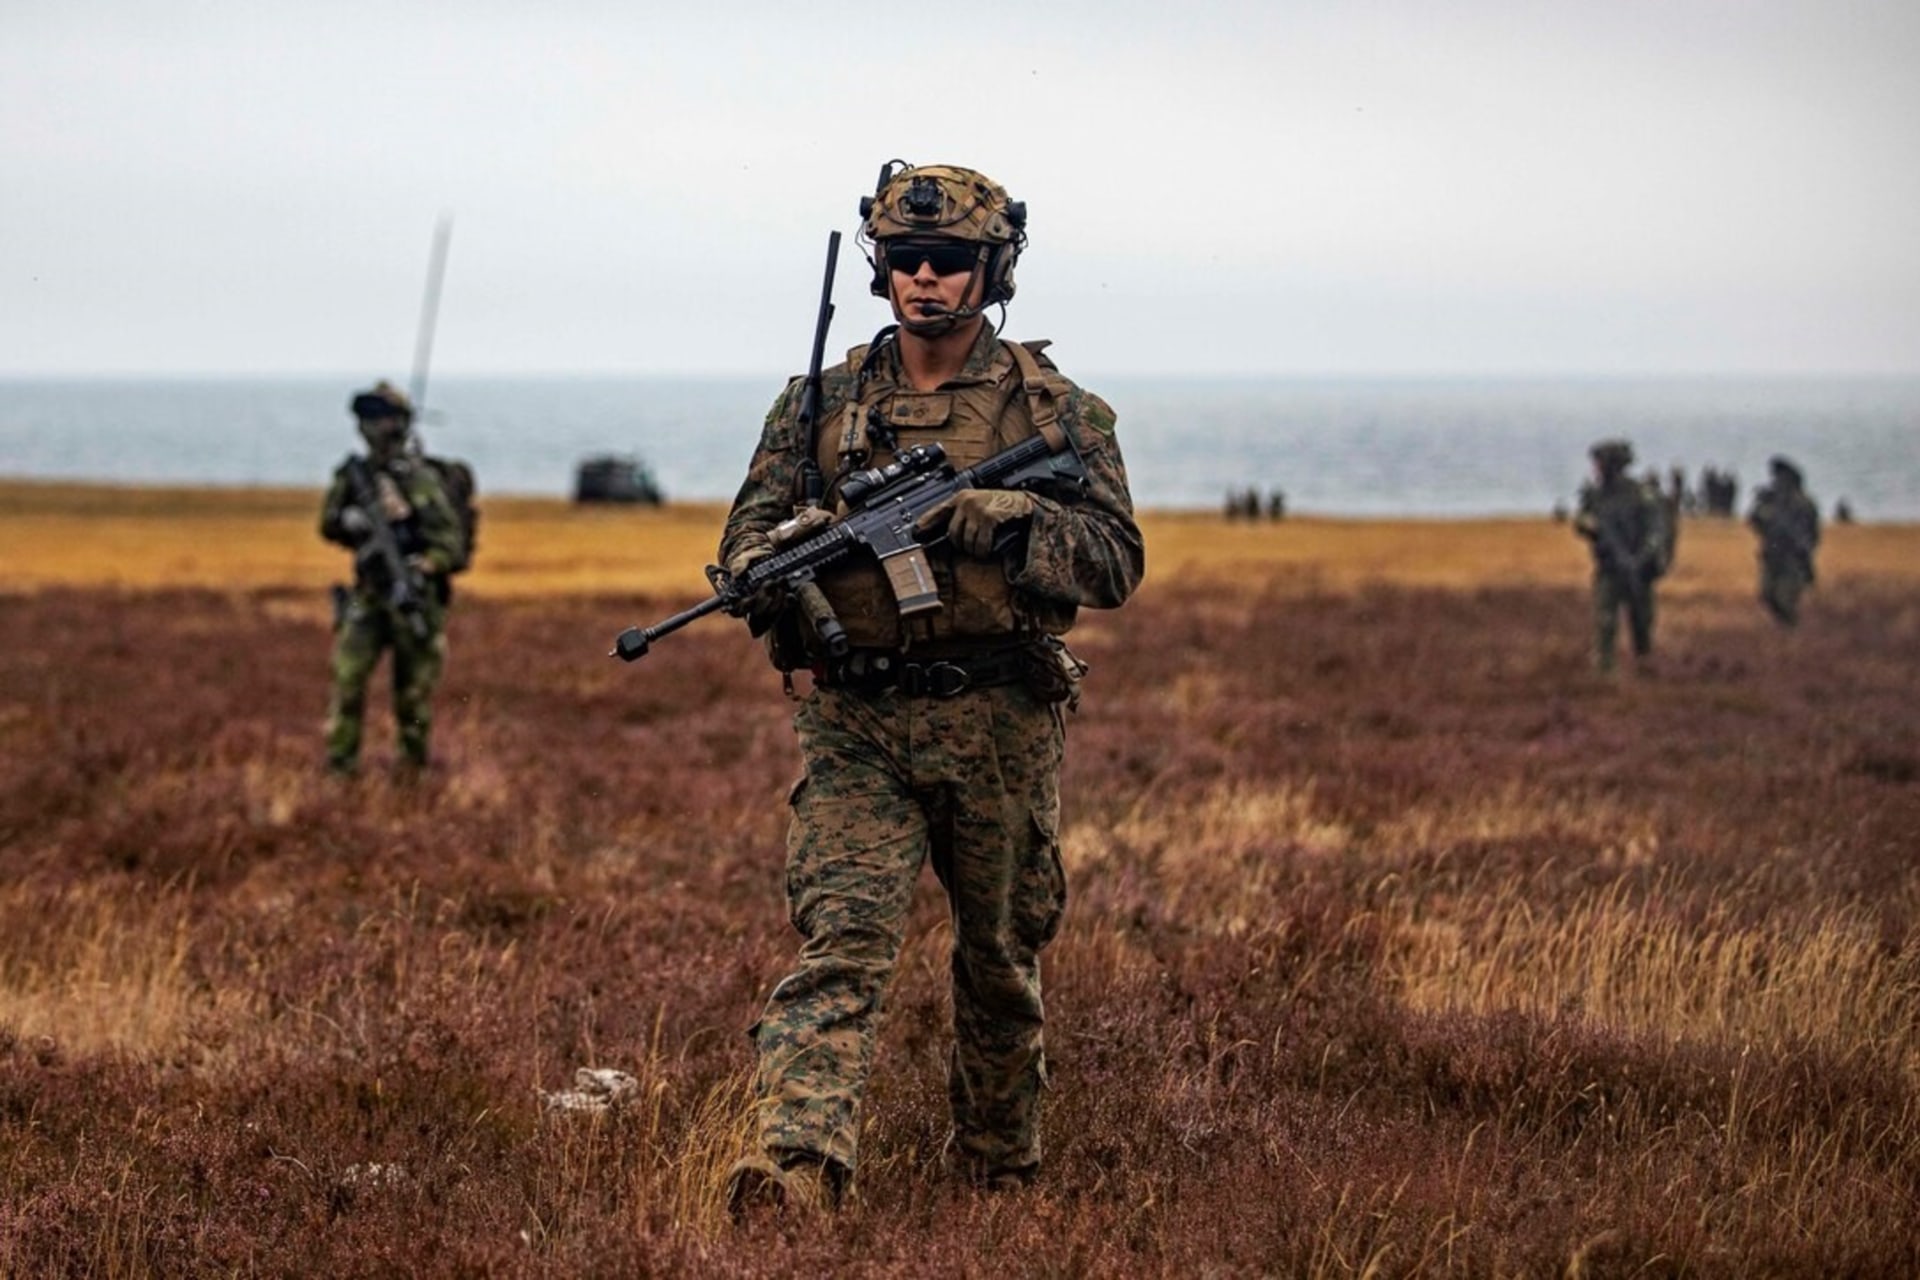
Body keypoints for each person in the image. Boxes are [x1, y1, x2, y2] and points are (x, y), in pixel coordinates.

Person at [716, 162, 1144, 1216]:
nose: (924, 277)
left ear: (988, 269)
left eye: (948, 260)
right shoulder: (820, 401)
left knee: (999, 958)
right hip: (859, 718)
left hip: (999, 719)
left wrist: (1018, 522)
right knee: (843, 944)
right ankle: (798, 1171)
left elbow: (1117, 561)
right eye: (905, 259)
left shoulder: (1057, 411)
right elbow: (739, 543)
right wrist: (783, 558)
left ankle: (998, 1174)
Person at [318, 380, 466, 775]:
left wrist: (425, 562)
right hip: (368, 596)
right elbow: (328, 524)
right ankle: (340, 766)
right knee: (348, 680)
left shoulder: (422, 481)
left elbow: (451, 544)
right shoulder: (355, 476)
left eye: (380, 418)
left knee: (412, 696)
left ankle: (412, 769)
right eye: (367, 418)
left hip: (413, 599)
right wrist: (356, 522)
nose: (372, 428)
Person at [1573, 438, 1665, 673]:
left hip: (1638, 570)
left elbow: (1656, 528)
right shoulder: (1596, 496)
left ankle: (1645, 666)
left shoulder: (1640, 494)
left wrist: (1643, 557)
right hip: (1609, 569)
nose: (1595, 469)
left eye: (1599, 464)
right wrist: (1590, 527)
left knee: (1641, 623)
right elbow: (1582, 520)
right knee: (1605, 621)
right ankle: (1604, 670)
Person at [1748, 455, 1821, 626]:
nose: (1777, 482)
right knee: (1766, 595)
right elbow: (1756, 522)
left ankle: (1790, 630)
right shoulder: (1772, 501)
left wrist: (1803, 549)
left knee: (1785, 599)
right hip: (1772, 556)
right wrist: (1761, 507)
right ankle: (1786, 628)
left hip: (1792, 559)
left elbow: (1812, 533)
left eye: (1781, 478)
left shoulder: (1803, 503)